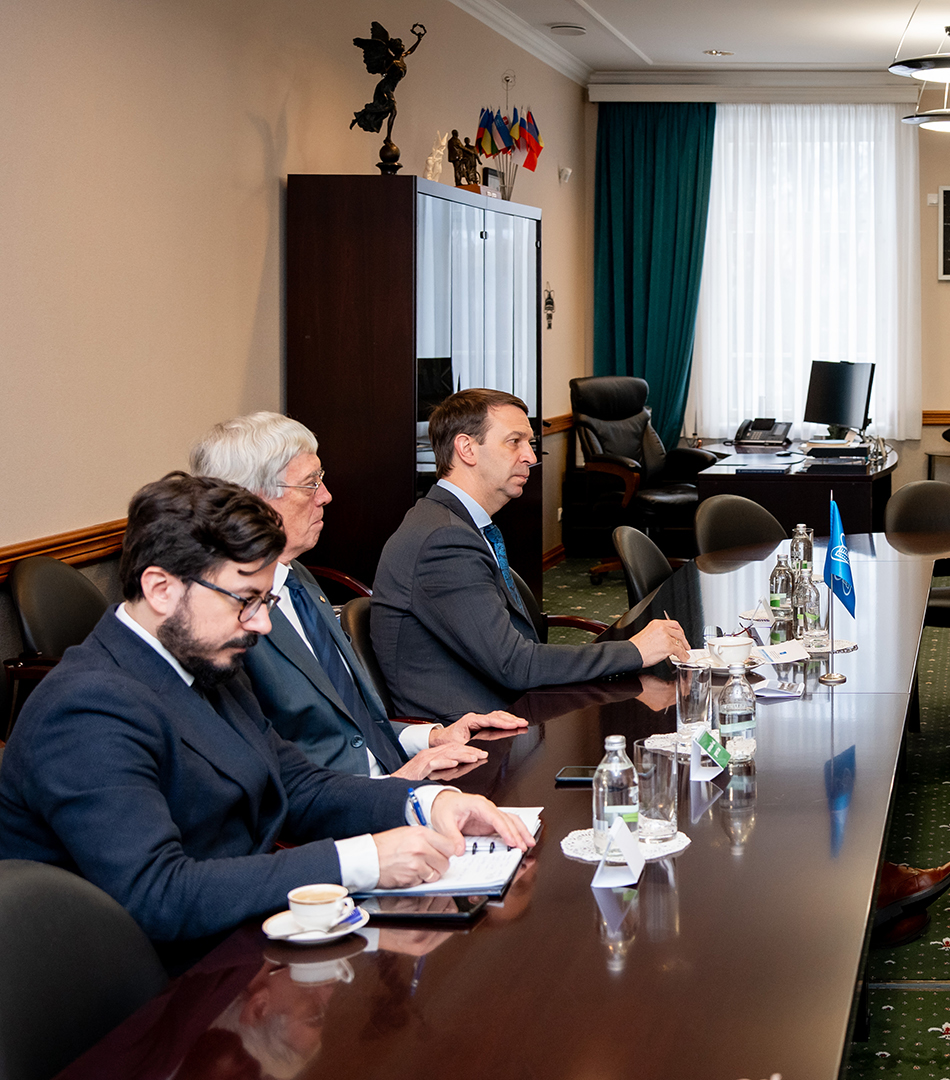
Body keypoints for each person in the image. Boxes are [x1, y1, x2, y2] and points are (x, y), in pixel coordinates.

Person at [0, 473, 533, 941]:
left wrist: (426, 802)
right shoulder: (86, 710)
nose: (261, 624)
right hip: (146, 986)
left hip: (237, 935)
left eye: (265, 600)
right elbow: (158, 894)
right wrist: (362, 860)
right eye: (245, 601)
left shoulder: (206, 662)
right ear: (161, 589)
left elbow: (296, 786)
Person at [189, 412, 527, 780]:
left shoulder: (297, 579)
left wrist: (431, 736)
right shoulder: (224, 620)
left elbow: (350, 727)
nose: (326, 495)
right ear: (253, 500)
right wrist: (393, 789)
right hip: (339, 803)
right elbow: (270, 771)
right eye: (310, 483)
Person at [370, 389, 691, 719]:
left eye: (530, 443)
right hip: (470, 732)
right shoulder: (444, 541)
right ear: (467, 448)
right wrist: (634, 650)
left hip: (510, 706)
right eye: (514, 442)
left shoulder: (455, 523)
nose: (530, 456)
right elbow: (513, 664)